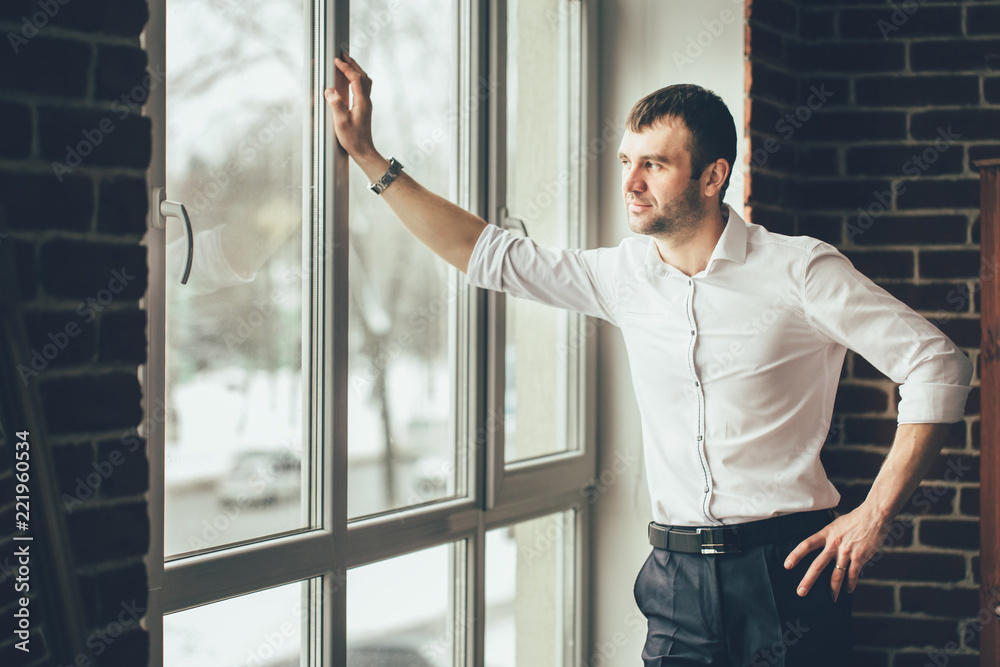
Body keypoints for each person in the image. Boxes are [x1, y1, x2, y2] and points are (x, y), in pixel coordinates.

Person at [324, 52, 974, 665]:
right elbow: (488, 254)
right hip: (674, 579)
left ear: (713, 174)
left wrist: (875, 513)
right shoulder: (623, 275)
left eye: (655, 165)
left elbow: (937, 365)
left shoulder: (799, 269)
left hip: (787, 572)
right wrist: (369, 156)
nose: (631, 184)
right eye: (626, 161)